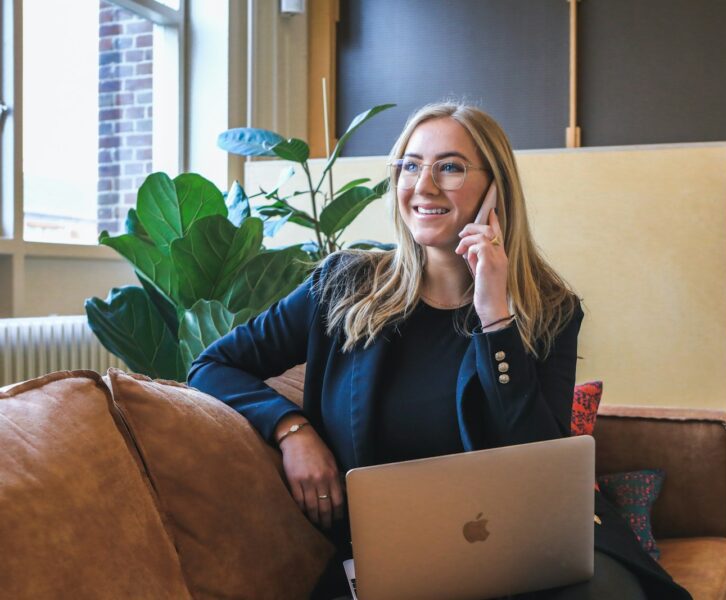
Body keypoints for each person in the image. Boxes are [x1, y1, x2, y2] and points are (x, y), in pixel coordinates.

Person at [187, 103, 691, 599]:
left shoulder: (550, 310)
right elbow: (211, 365)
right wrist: (291, 430)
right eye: (410, 165)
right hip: (393, 558)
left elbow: (543, 464)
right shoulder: (342, 287)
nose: (423, 185)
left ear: (496, 189)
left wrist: (497, 319)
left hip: (529, 549)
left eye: (449, 167)